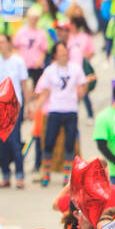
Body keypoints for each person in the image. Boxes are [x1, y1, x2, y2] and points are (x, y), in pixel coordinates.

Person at [34, 42, 87, 188]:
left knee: (69, 144)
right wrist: (36, 107)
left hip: (71, 110)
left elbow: (82, 86)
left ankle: (66, 175)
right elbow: (45, 91)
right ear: (55, 54)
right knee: (49, 142)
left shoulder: (76, 69)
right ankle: (46, 173)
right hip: (55, 110)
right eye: (61, 52)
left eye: (65, 51)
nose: (64, 54)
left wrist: (82, 91)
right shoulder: (50, 70)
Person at [0, 32, 33, 189]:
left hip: (14, 106)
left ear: (9, 43)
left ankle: (20, 175)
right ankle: (5, 175)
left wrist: (28, 105)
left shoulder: (17, 61)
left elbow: (24, 84)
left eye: (2, 42)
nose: (0, 45)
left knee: (15, 142)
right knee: (1, 143)